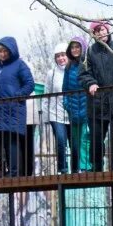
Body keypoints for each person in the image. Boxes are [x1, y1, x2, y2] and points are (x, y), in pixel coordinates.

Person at [80, 22, 113, 172]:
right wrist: (91, 83)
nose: (100, 33)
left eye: (102, 29)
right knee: (96, 138)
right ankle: (97, 166)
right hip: (98, 101)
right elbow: (84, 74)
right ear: (93, 34)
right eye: (96, 31)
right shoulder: (89, 53)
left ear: (107, 30)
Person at [0, 36, 34, 177]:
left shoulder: (20, 65)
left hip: (14, 108)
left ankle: (15, 172)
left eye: (5, 51)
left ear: (11, 50)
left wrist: (17, 96)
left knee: (13, 140)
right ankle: (9, 170)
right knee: (3, 140)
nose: (2, 54)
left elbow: (29, 84)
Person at [42, 44, 71, 173]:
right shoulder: (51, 74)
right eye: (58, 56)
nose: (61, 58)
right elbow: (46, 93)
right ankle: (62, 168)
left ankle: (75, 168)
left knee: (74, 143)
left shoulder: (74, 71)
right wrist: (46, 116)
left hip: (72, 113)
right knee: (60, 141)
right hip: (56, 113)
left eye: (63, 55)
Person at [62, 36, 89, 172]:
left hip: (87, 107)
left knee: (86, 138)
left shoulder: (88, 63)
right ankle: (77, 167)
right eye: (72, 47)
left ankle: (86, 167)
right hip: (73, 109)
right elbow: (65, 88)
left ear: (83, 48)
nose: (75, 50)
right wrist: (66, 104)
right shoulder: (69, 67)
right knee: (75, 142)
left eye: (77, 47)